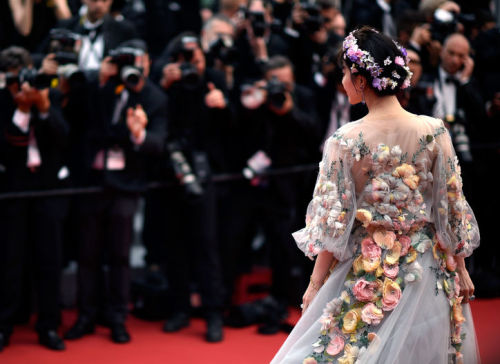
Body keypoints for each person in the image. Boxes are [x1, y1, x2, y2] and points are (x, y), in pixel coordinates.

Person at [271, 26, 480, 364]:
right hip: (428, 269)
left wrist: (315, 285)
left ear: (361, 78)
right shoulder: (434, 131)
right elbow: (450, 210)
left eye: (344, 73)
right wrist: (461, 268)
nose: (342, 81)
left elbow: (333, 222)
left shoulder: (346, 139)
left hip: (367, 270)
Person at [63, 39, 167, 344]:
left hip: (127, 184)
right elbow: (79, 117)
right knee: (87, 253)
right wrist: (101, 79)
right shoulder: (101, 88)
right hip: (93, 181)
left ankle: (117, 317)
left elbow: (157, 143)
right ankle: (86, 315)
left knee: (120, 255)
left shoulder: (154, 97)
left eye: (137, 61)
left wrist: (139, 134)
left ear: (148, 62)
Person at [0, 46, 70, 351]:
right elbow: (8, 147)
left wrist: (42, 108)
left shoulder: (49, 93)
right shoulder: (2, 101)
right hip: (13, 189)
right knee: (8, 261)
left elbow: (63, 137)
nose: (21, 84)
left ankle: (49, 326)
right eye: (14, 78)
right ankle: (3, 326)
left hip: (47, 188)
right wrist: (21, 110)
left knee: (49, 260)